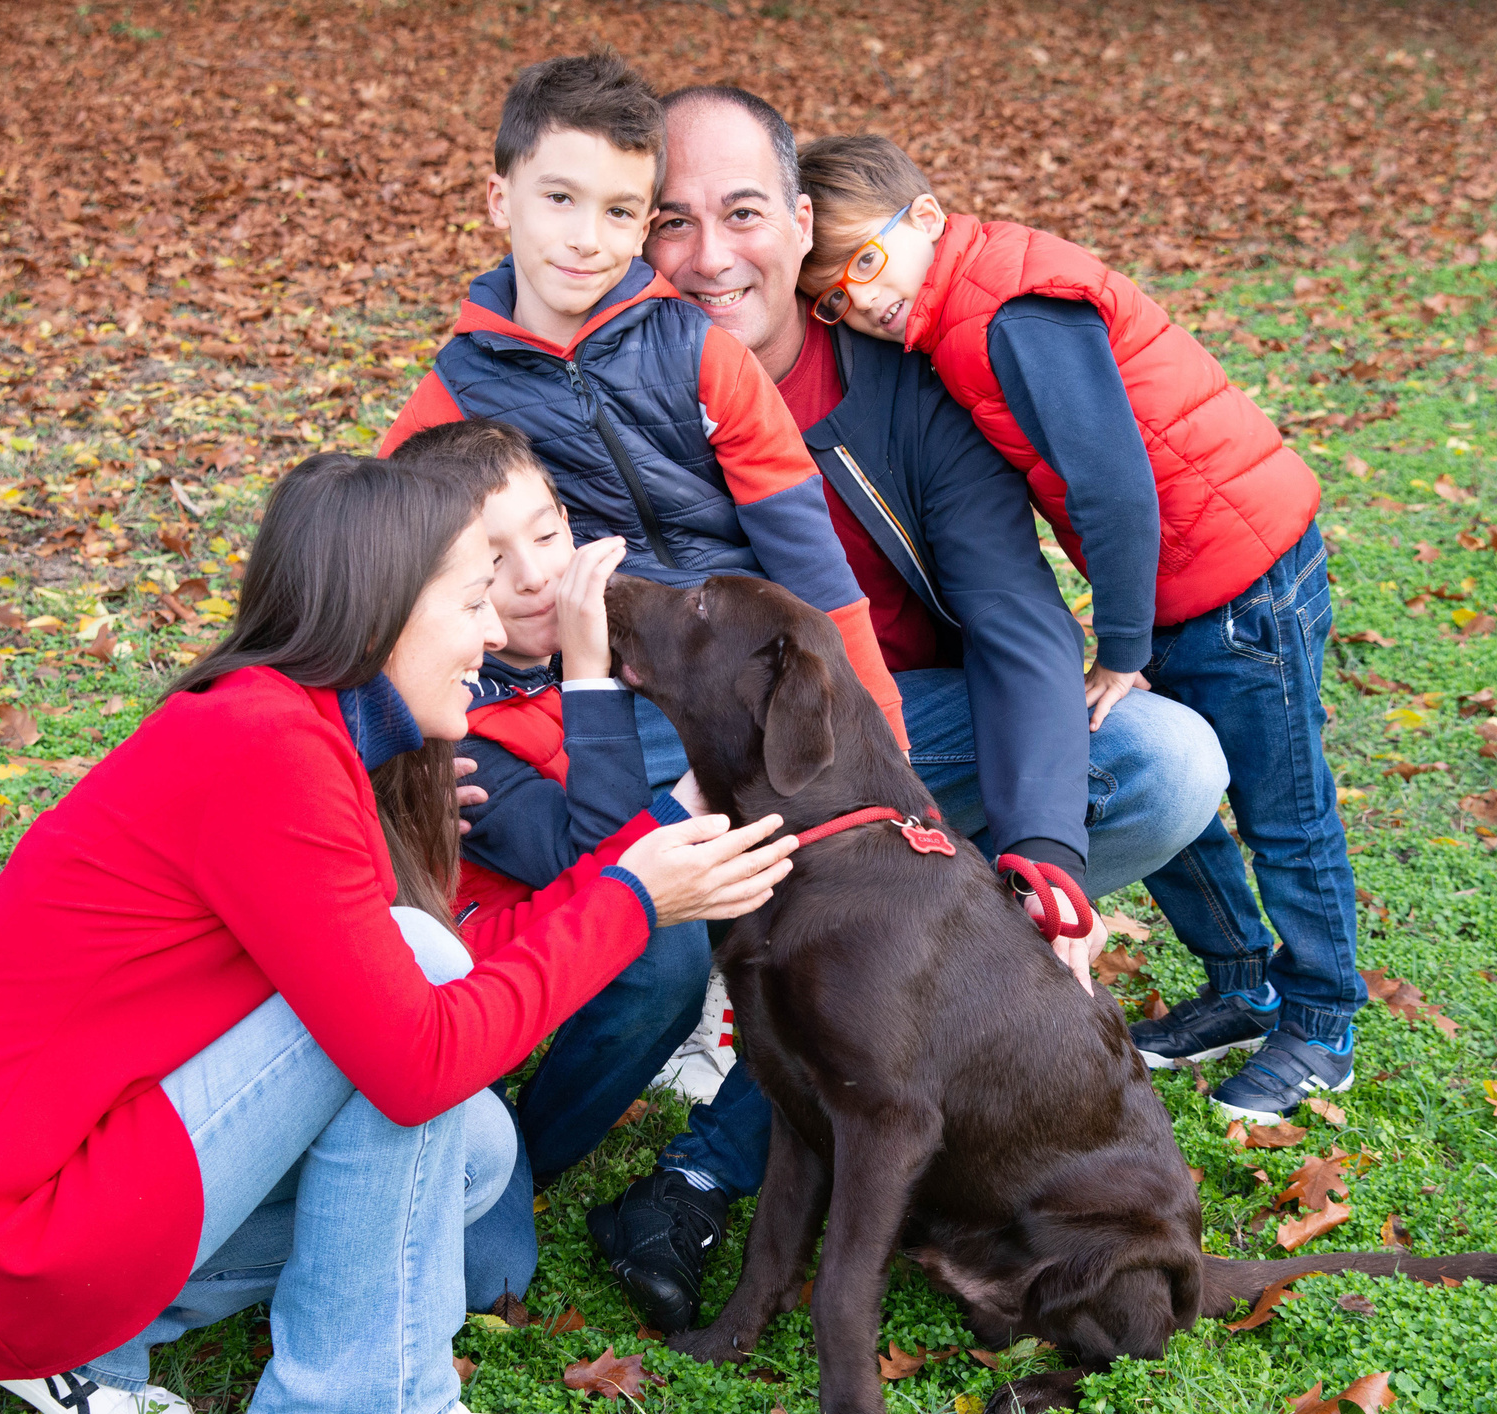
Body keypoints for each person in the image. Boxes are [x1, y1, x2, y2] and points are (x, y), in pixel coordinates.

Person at [0, 453, 798, 1414]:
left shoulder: (294, 729)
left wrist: (632, 872)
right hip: (4, 1223)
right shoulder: (263, 744)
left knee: (475, 1154)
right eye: (473, 600)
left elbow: (427, 996)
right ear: (384, 608)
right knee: (421, 1001)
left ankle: (88, 1336)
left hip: (22, 1185)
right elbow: (418, 1044)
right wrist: (629, 900)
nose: (489, 634)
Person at [580, 85, 1233, 1334]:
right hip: (703, 741)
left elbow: (1024, 631)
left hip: (900, 741)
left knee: (1161, 760)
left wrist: (1042, 860)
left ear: (800, 217)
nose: (710, 256)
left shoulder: (900, 391)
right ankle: (739, 1027)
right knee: (652, 868)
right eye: (670, 222)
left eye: (743, 213)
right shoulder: (619, 393)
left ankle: (746, 1136)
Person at [792, 133, 1361, 1129]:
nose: (861, 299)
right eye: (834, 294)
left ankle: (1320, 1023)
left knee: (1284, 807)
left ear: (926, 218)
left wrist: (1125, 649)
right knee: (1163, 787)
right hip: (1178, 580)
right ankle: (1240, 984)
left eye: (868, 262)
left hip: (1244, 575)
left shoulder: (1010, 313)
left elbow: (1113, 484)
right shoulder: (949, 319)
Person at [374, 52, 913, 764]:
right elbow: (373, 577)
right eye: (558, 199)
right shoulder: (457, 395)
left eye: (619, 212)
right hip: (595, 715)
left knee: (1100, 750)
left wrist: (887, 746)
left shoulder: (704, 357)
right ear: (500, 199)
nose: (586, 239)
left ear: (643, 229)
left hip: (756, 688)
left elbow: (811, 563)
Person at [387, 418, 732, 1312]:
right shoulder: (448, 704)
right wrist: (588, 671)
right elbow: (601, 864)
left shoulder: (606, 619)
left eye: (547, 533)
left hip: (563, 924)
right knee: (655, 944)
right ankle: (498, 1148)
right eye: (493, 559)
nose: (538, 575)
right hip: (467, 968)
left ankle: (543, 1153)